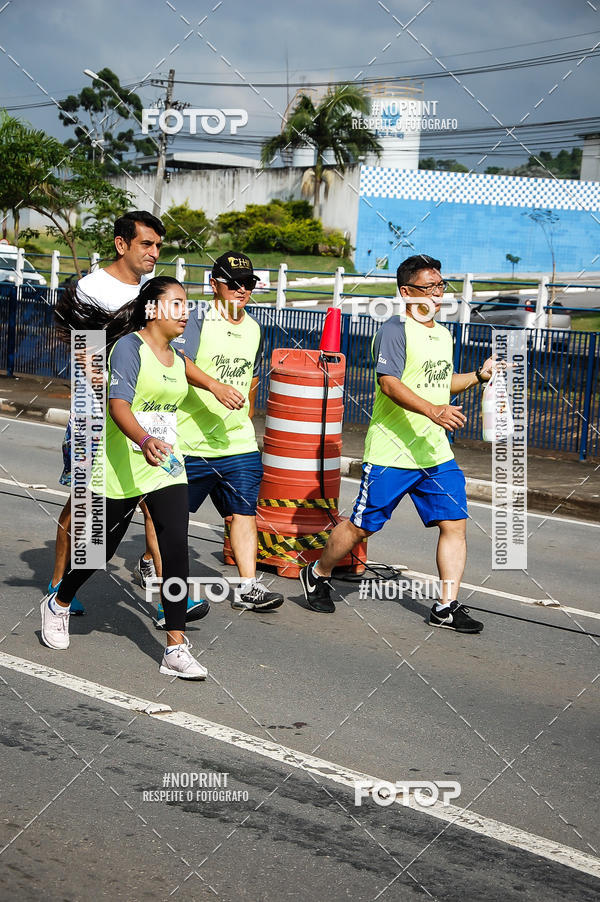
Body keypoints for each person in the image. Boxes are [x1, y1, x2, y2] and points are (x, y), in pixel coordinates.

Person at [41, 277, 243, 676]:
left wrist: (216, 386)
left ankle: (175, 647)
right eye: (177, 304)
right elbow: (118, 405)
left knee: (175, 548)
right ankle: (60, 600)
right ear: (153, 310)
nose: (186, 312)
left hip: (165, 465)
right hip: (122, 465)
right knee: (101, 553)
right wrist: (144, 438)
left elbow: (189, 369)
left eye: (187, 304)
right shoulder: (128, 348)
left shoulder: (175, 353)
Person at [299, 254, 494, 633]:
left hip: (434, 452)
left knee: (454, 524)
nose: (439, 294)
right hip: (393, 451)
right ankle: (318, 572)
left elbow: (440, 382)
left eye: (441, 286)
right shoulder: (394, 328)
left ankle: (446, 606)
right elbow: (389, 383)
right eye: (430, 287)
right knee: (361, 527)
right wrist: (433, 412)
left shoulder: (441, 332)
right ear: (407, 292)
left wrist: (477, 376)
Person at [51, 211, 181, 617]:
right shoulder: (93, 288)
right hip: (95, 414)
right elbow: (85, 358)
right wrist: (112, 398)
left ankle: (166, 602)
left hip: (143, 418)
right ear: (121, 244)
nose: (154, 252)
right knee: (82, 503)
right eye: (146, 244)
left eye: (158, 245)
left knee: (154, 503)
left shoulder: (153, 289)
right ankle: (59, 585)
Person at [174, 252, 284, 612]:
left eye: (248, 284)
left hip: (238, 442)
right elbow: (178, 362)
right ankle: (151, 562)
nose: (242, 290)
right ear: (214, 284)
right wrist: (215, 386)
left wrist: (247, 415)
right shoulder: (197, 319)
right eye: (233, 283)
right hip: (191, 441)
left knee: (243, 513)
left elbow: (252, 378)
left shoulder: (253, 328)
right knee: (172, 517)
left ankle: (248, 587)